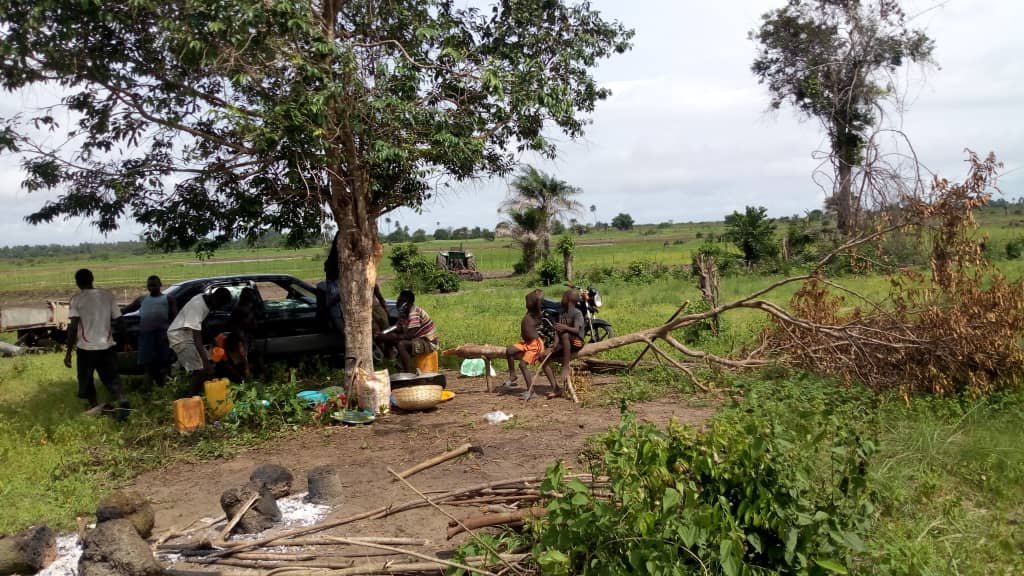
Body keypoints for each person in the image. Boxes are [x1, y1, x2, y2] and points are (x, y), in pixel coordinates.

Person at [64, 269, 128, 418]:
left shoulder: (76, 299)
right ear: (92, 279)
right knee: (112, 378)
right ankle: (122, 399)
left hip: (86, 349)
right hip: (107, 346)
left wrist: (68, 353)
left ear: (77, 282)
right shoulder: (107, 296)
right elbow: (120, 321)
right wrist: (126, 342)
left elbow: (73, 327)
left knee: (86, 379)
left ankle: (95, 407)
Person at [167, 287, 232, 396]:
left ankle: (203, 395)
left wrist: (212, 340)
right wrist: (206, 363)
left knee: (208, 366)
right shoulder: (197, 306)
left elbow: (203, 323)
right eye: (219, 305)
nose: (217, 308)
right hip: (180, 337)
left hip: (188, 336)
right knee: (200, 369)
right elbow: (197, 338)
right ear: (215, 299)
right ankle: (190, 399)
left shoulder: (204, 300)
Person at [378, 290, 438, 372]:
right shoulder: (403, 313)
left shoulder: (414, 313)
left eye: (402, 301)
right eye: (399, 300)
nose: (398, 302)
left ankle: (408, 373)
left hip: (428, 342)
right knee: (392, 339)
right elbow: (397, 328)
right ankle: (392, 364)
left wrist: (388, 336)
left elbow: (409, 335)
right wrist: (384, 333)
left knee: (401, 344)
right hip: (418, 340)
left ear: (408, 302)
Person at [136, 275, 177, 392]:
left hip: (162, 337)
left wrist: (169, 334)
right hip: (146, 338)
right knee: (148, 368)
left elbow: (175, 319)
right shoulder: (142, 299)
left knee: (164, 367)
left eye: (154, 285)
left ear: (160, 285)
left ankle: (165, 392)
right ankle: (148, 394)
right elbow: (126, 310)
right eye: (149, 285)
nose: (152, 287)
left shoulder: (168, 299)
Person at [541, 289, 585, 398]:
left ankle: (565, 366)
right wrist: (554, 345)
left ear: (569, 300)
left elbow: (576, 330)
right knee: (542, 356)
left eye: (564, 297)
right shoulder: (561, 312)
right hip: (563, 343)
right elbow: (557, 331)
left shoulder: (577, 313)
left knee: (565, 334)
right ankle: (556, 388)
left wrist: (564, 327)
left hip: (577, 342)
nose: (561, 299)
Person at [502, 289, 545, 391]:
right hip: (527, 343)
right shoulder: (529, 312)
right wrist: (533, 294)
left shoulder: (537, 314)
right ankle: (512, 375)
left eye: (529, 301)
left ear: (535, 303)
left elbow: (539, 298)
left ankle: (531, 391)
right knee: (509, 350)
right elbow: (528, 297)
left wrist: (538, 294)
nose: (527, 302)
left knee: (522, 365)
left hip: (535, 345)